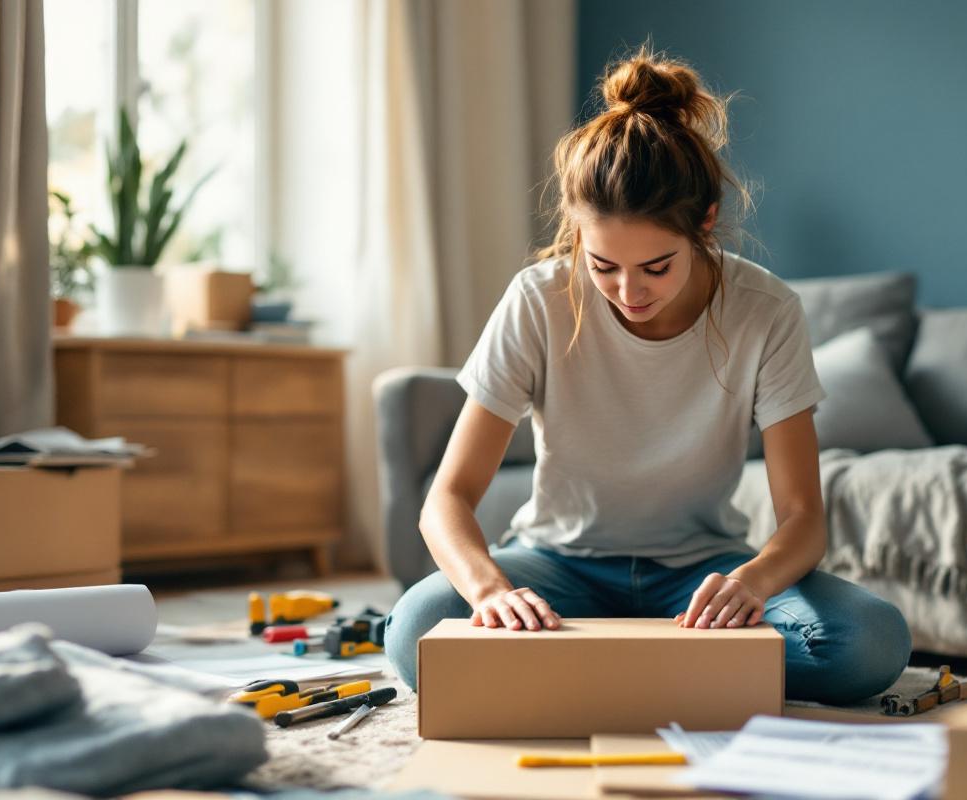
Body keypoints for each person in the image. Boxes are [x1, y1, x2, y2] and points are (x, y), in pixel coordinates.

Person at [383, 45, 911, 705]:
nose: (628, 291)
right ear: (576, 233)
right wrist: (490, 590)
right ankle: (673, 669)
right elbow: (447, 499)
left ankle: (596, 666)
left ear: (706, 224)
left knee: (867, 641)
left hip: (701, 574)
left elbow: (803, 517)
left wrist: (751, 583)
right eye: (603, 266)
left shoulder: (766, 309)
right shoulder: (538, 298)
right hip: (556, 565)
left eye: (656, 266)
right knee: (414, 631)